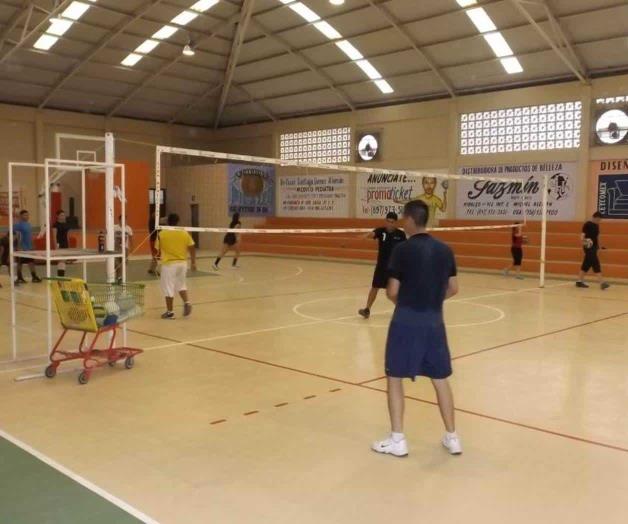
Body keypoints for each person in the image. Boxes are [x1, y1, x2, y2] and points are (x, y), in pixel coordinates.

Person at [371, 200, 462, 458]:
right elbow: (454, 288)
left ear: (410, 219)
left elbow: (391, 291)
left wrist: (410, 303)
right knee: (440, 379)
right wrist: (430, 301)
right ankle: (452, 437)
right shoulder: (445, 250)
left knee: (395, 378)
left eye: (403, 217)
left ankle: (398, 439)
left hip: (405, 323)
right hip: (434, 323)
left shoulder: (401, 250)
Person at [359, 212, 406, 319]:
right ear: (386, 221)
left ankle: (400, 309)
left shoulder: (400, 234)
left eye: (392, 222)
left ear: (396, 223)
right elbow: (373, 234)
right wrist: (366, 235)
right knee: (375, 287)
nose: (390, 224)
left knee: (393, 290)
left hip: (395, 268)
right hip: (381, 266)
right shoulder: (381, 231)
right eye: (388, 222)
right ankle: (367, 309)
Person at [155, 213, 196, 319]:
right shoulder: (184, 232)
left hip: (169, 264)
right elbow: (192, 247)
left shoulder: (162, 234)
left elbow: (157, 249)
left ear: (168, 221)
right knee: (181, 285)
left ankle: (170, 312)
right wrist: (193, 262)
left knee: (168, 288)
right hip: (182, 264)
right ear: (178, 221)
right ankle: (187, 302)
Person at [576, 212, 610, 290]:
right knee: (595, 262)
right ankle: (602, 283)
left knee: (587, 263)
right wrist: (584, 241)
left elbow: (597, 236)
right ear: (594, 217)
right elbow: (582, 235)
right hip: (588, 246)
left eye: (600, 220)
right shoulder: (587, 224)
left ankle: (579, 281)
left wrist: (600, 246)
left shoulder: (597, 226)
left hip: (594, 247)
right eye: (598, 219)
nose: (599, 221)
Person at [39, 210, 72, 277]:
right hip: (59, 244)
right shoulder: (55, 225)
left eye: (63, 215)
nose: (63, 217)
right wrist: (56, 247)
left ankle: (61, 277)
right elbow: (54, 236)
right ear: (57, 216)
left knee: (63, 261)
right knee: (61, 261)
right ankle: (60, 277)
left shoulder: (66, 224)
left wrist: (68, 246)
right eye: (61, 215)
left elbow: (67, 236)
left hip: (65, 244)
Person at [13, 210, 41, 284]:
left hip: (29, 248)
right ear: (21, 216)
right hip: (21, 248)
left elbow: (30, 236)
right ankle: (19, 277)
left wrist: (33, 245)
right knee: (20, 262)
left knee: (31, 262)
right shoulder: (18, 225)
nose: (27, 216)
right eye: (25, 215)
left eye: (28, 215)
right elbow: (16, 235)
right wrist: (18, 247)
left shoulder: (28, 224)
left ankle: (34, 276)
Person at [114, 215, 134, 282]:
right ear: (119, 220)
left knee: (123, 264)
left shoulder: (128, 228)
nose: (124, 221)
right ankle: (118, 276)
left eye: (125, 220)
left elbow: (131, 239)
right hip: (115, 249)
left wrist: (132, 248)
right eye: (122, 220)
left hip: (125, 249)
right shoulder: (114, 227)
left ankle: (120, 277)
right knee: (116, 264)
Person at [147, 211, 159, 276]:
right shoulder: (153, 223)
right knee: (155, 255)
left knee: (155, 255)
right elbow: (156, 231)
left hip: (154, 239)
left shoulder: (152, 222)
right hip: (154, 240)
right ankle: (154, 270)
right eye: (156, 215)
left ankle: (151, 269)